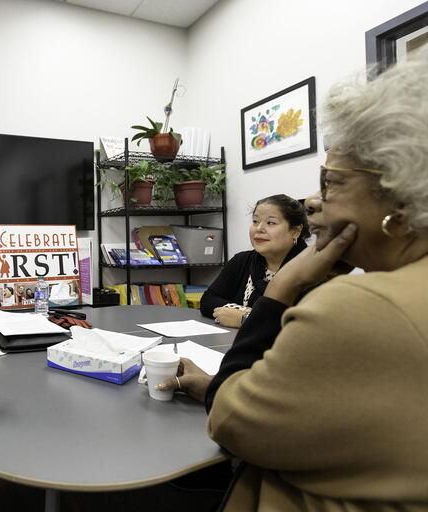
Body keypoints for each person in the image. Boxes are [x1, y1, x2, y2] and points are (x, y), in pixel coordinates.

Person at [169, 54, 428, 510]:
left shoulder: (362, 305)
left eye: (331, 182)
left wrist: (280, 289)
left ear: (398, 192)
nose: (314, 200)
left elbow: (229, 421)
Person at [200, 194, 309, 327]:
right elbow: (208, 300)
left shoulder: (311, 269)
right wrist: (247, 314)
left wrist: (245, 318)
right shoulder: (242, 261)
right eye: (255, 221)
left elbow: (303, 323)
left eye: (271, 223)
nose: (259, 229)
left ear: (296, 231)